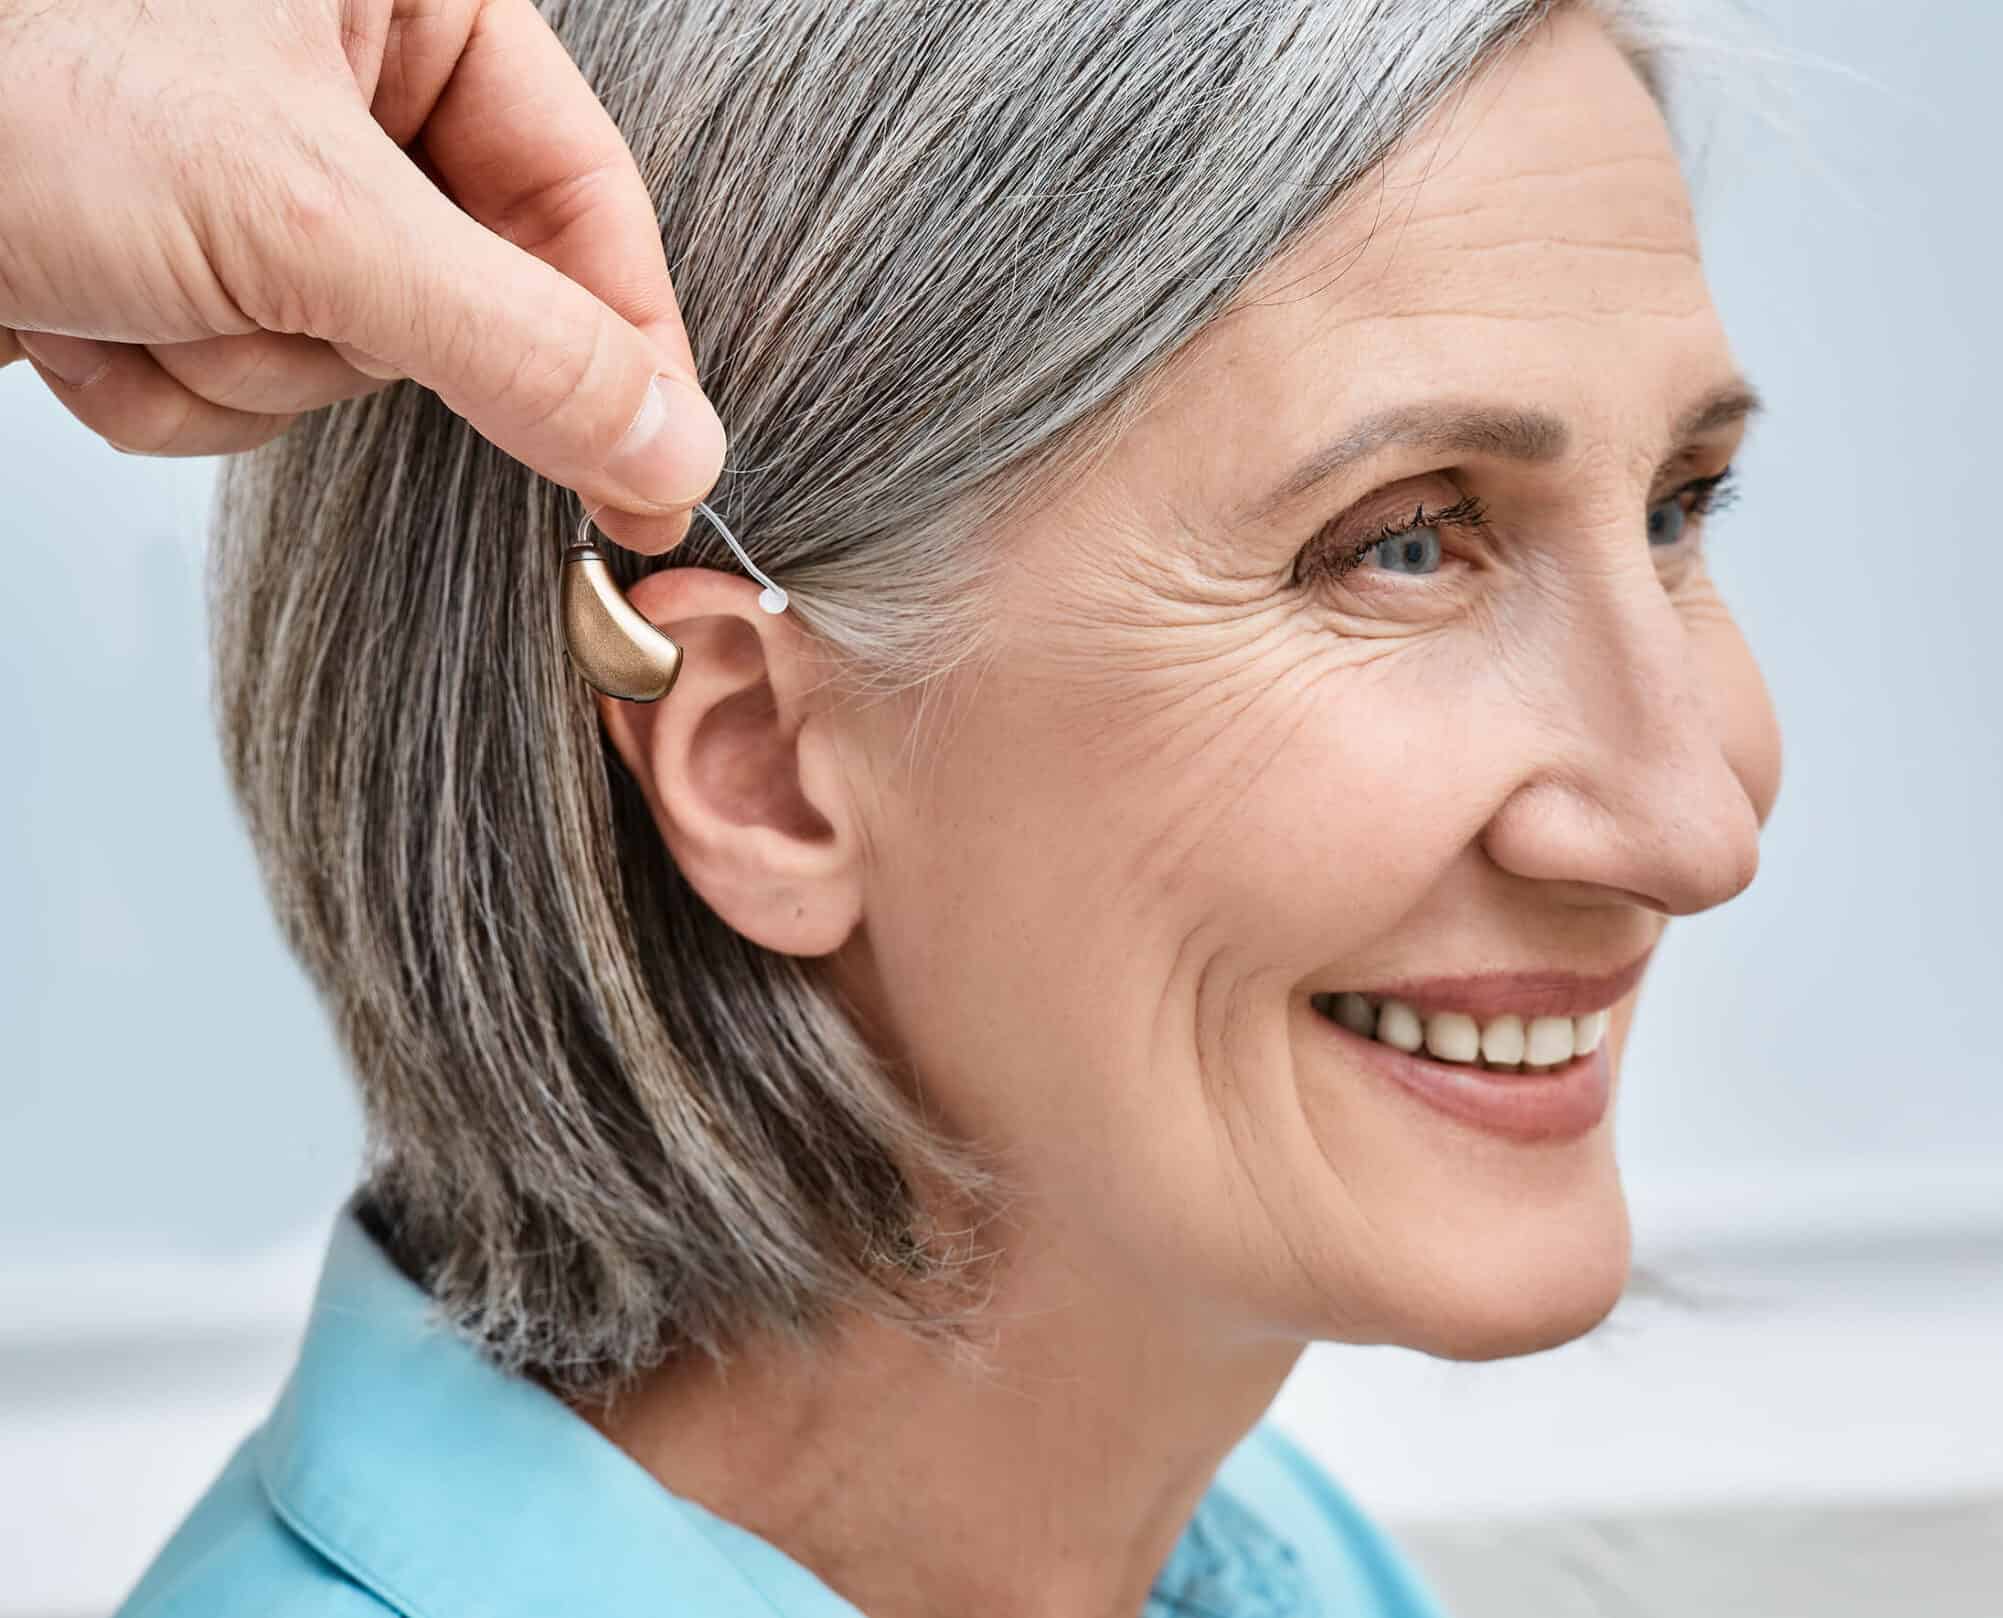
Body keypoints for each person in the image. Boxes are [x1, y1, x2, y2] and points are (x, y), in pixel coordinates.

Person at [17, 2, 1782, 1616]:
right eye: (1405, 542)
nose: (1696, 821)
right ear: (764, 771)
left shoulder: (1279, 1571)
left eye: (1678, 507)